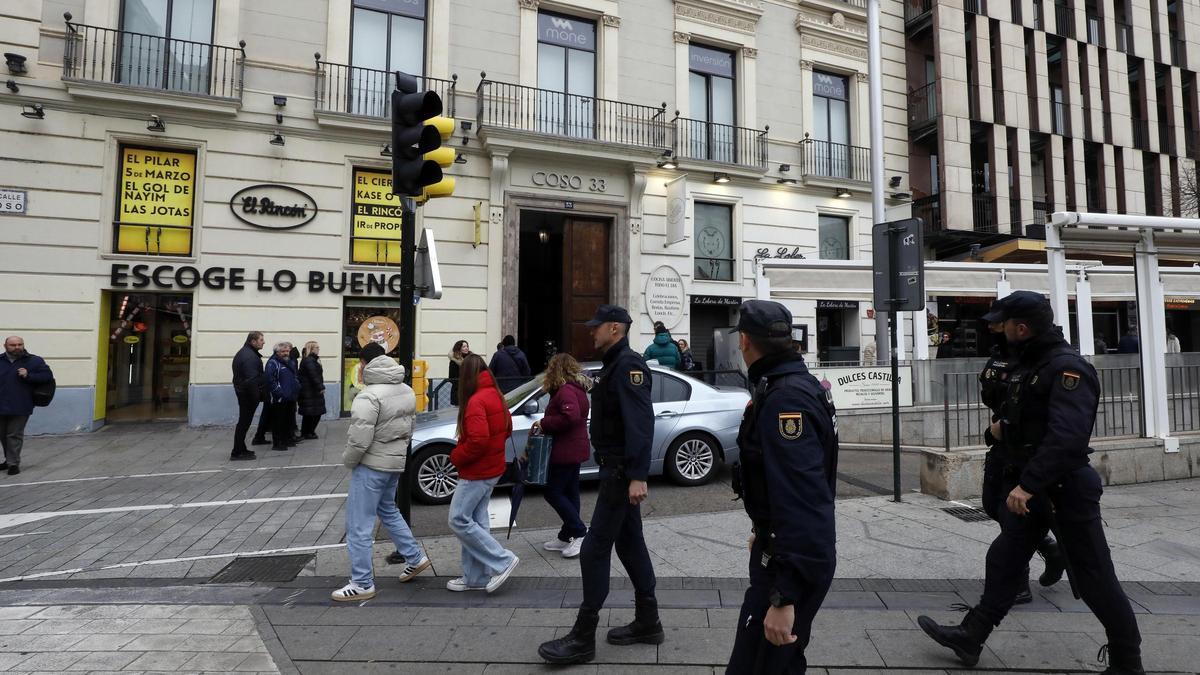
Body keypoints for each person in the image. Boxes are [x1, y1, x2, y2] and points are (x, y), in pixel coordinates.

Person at [917, 291, 1143, 675]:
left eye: (1003, 323)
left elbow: (1066, 439)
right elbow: (1027, 415)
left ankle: (1127, 660)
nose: (997, 328)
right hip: (1033, 486)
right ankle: (971, 636)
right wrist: (1002, 431)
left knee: (1093, 579)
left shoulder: (1067, 369)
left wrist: (1028, 485)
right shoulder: (1030, 363)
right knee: (1004, 559)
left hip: (1063, 490)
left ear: (1021, 328)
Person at [538, 305, 660, 665]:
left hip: (621, 474)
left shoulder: (629, 367)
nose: (591, 333)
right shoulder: (614, 366)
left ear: (614, 328)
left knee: (593, 550)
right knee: (631, 545)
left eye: (596, 328)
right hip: (616, 471)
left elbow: (641, 423)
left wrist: (638, 475)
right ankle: (648, 621)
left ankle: (583, 637)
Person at [724, 301, 839, 674]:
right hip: (783, 551)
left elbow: (804, 499)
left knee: (756, 665)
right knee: (780, 662)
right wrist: (762, 530)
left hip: (790, 567)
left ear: (744, 341)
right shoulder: (787, 385)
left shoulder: (785, 398)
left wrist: (784, 595)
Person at [978, 298, 1066, 604]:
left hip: (1022, 451)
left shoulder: (1036, 358)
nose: (990, 326)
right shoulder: (1000, 355)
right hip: (1002, 444)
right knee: (992, 505)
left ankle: (1017, 584)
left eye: (997, 321)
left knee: (1012, 517)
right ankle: (1047, 546)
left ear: (1017, 325)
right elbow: (991, 391)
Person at [333, 341, 430, 601]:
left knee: (358, 526)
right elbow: (410, 427)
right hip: (394, 463)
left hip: (371, 465)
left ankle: (362, 582)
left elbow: (359, 440)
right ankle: (415, 556)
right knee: (388, 509)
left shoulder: (369, 395)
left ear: (365, 364)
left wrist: (349, 461)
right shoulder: (407, 390)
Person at [446, 353, 520, 593]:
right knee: (476, 521)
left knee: (458, 519)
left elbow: (477, 441)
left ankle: (503, 560)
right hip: (493, 467)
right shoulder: (495, 394)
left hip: (476, 471)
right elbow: (507, 429)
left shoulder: (476, 401)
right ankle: (476, 578)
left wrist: (456, 456)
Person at [532, 353, 591, 559]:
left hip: (566, 449)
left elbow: (570, 416)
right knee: (570, 492)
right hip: (574, 447)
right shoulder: (576, 388)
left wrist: (544, 423)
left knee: (553, 492)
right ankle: (567, 535)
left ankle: (580, 532)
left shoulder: (565, 390)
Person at [0, 336, 53, 475]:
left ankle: (13, 464)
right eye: (13, 345)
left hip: (21, 404)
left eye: (20, 344)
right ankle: (8, 459)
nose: (17, 347)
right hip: (1, 405)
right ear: (5, 346)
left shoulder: (34, 360)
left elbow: (47, 376)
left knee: (14, 434)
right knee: (3, 435)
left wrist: (28, 375)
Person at [231, 331, 270, 459]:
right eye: (261, 340)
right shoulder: (250, 357)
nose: (263, 342)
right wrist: (257, 397)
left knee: (244, 423)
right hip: (247, 395)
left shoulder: (247, 353)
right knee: (243, 423)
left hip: (245, 393)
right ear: (253, 341)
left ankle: (241, 448)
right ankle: (237, 452)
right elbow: (251, 380)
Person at [265, 342, 300, 451]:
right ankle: (278, 443)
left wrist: (297, 387)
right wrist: (279, 392)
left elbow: (294, 376)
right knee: (278, 421)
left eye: (287, 351)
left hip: (290, 397)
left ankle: (287, 440)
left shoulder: (290, 362)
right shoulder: (273, 363)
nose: (286, 353)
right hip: (279, 398)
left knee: (288, 421)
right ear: (277, 352)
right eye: (283, 351)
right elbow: (270, 380)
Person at [298, 341, 326, 440]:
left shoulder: (311, 359)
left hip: (310, 390)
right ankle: (308, 432)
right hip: (310, 391)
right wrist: (321, 387)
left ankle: (307, 432)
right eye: (317, 347)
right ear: (311, 348)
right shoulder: (309, 360)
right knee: (313, 413)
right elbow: (313, 375)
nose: (318, 349)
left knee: (310, 413)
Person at [448, 339, 470, 406]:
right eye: (464, 347)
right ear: (459, 348)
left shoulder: (471, 359)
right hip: (459, 391)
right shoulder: (454, 361)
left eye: (467, 346)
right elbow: (451, 378)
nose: (466, 348)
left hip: (470, 390)